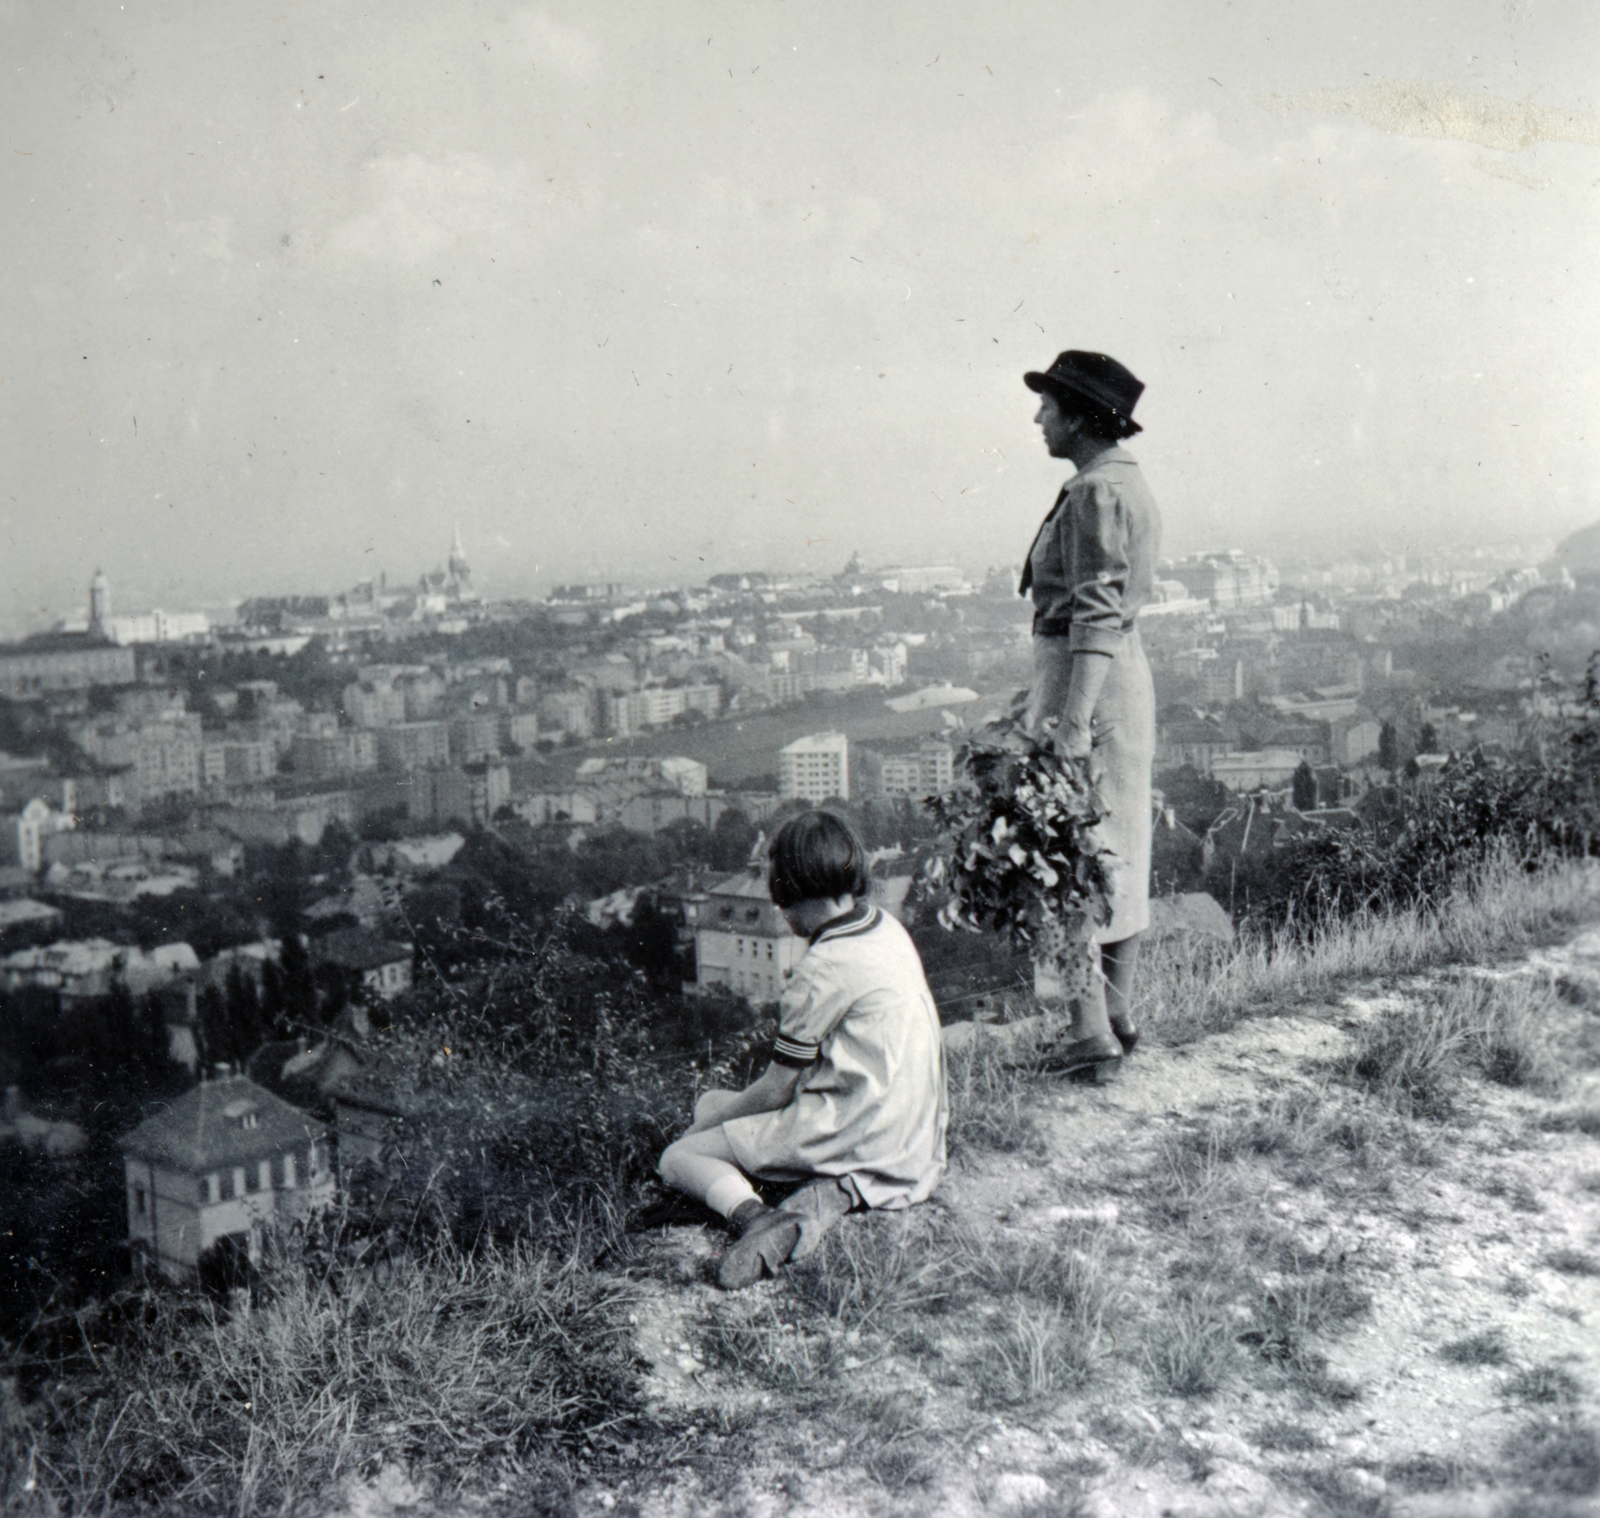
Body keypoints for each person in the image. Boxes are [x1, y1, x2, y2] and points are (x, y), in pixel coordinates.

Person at [658, 810, 949, 1290]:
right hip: (912, 1126)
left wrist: (698, 1131)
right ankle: (824, 1191)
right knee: (713, 1102)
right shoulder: (883, 926)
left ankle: (755, 1218)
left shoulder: (820, 968)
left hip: (859, 1124)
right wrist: (717, 1114)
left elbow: (777, 1089)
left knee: (678, 1157)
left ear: (786, 892)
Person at [1018, 350, 1162, 1081]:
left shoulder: (1093, 494)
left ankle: (1086, 1032)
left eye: (1049, 405)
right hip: (1113, 680)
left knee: (1070, 854)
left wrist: (1070, 721)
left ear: (1079, 415)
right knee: (1117, 847)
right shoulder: (1120, 485)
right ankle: (1116, 1015)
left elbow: (1093, 615)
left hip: (1087, 681)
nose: (1038, 417)